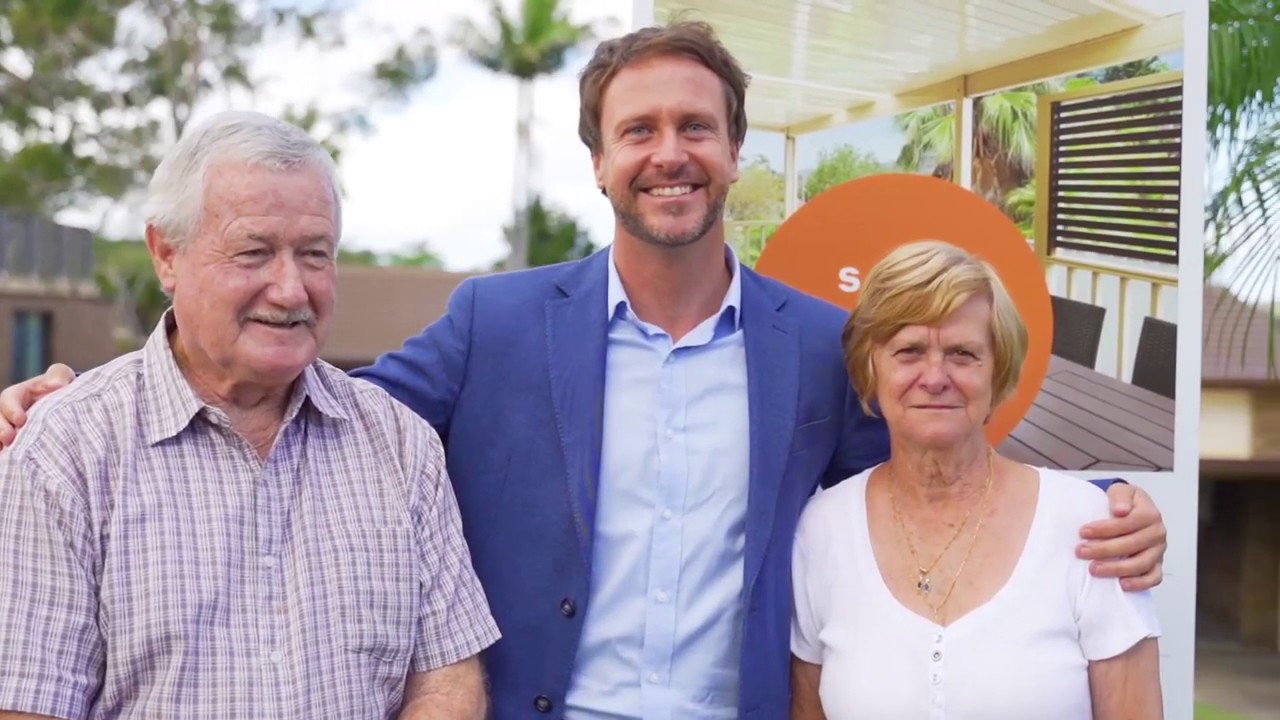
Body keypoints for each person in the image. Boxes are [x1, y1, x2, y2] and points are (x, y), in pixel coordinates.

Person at [0, 21, 1168, 720]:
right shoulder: (495, 323)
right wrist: (74, 395)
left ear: (733, 152)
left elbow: (933, 466)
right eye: (638, 130)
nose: (669, 153)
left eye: (695, 128)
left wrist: (1104, 511)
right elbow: (313, 401)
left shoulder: (819, 345)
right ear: (599, 162)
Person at [0, 111, 499, 720]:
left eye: (315, 254)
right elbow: (27, 704)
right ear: (166, 255)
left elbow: (446, 682)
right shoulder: (67, 450)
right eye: (253, 252)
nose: (291, 289)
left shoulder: (399, 444)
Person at [789, 241, 1163, 720]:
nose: (935, 376)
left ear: (998, 370)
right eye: (909, 350)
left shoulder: (1090, 530)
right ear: (870, 366)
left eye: (963, 354)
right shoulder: (821, 532)